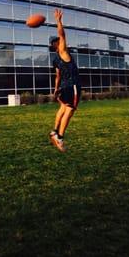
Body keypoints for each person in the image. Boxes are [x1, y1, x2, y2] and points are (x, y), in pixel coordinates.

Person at [49, 9, 81, 152]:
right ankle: (59, 137)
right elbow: (62, 34)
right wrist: (59, 21)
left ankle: (54, 131)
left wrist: (56, 90)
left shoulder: (55, 59)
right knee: (69, 110)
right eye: (58, 41)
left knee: (62, 108)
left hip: (63, 87)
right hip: (72, 85)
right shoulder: (62, 51)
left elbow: (58, 76)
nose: (61, 41)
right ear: (57, 45)